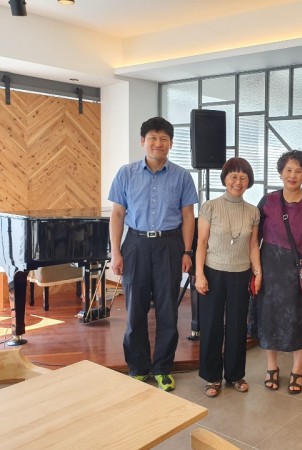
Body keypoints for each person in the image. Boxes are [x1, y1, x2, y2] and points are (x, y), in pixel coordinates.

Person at [108, 116, 198, 392]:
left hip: (169, 245)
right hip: (135, 244)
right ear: (142, 141)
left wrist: (187, 251)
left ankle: (162, 368)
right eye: (153, 138)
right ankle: (138, 367)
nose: (158, 143)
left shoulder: (182, 176)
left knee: (167, 309)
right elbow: (117, 214)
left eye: (163, 139)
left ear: (171, 143)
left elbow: (188, 216)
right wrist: (116, 252)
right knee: (135, 309)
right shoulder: (126, 173)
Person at [253, 150, 302, 394]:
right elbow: (254, 239)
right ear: (280, 173)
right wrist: (256, 270)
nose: (293, 175)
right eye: (288, 170)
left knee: (301, 320)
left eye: (298, 171)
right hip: (271, 269)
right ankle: (272, 367)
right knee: (270, 319)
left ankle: (298, 370)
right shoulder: (268, 201)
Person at [195, 157, 261, 398]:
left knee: (237, 326)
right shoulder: (210, 207)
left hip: (241, 273)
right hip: (213, 272)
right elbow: (201, 243)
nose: (238, 182)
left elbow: (253, 245)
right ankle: (212, 376)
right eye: (234, 176)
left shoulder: (253, 211)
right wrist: (199, 274)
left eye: (243, 177)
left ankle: (234, 374)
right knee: (211, 325)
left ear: (248, 182)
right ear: (225, 179)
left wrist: (258, 272)